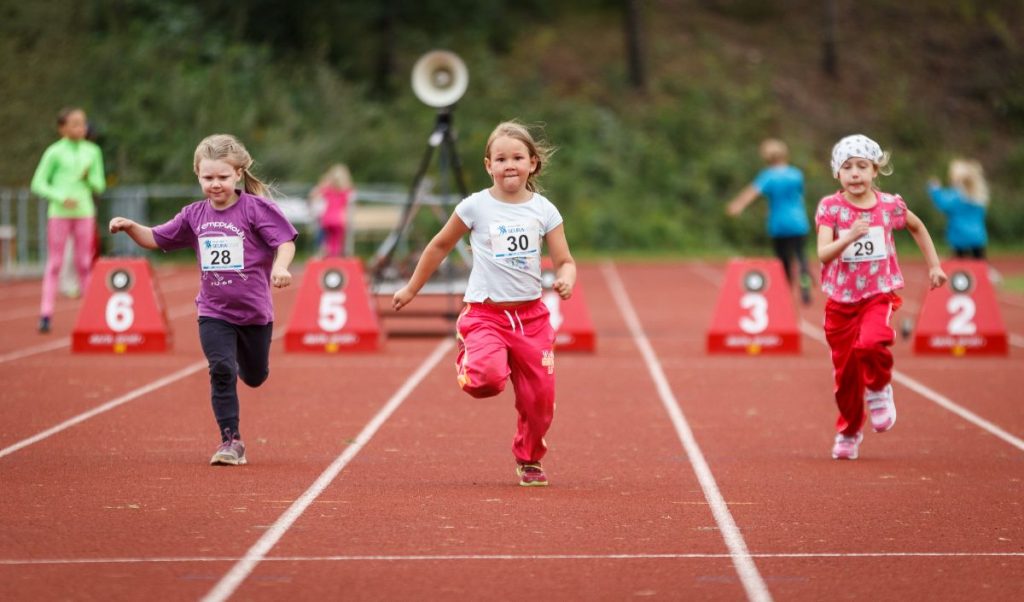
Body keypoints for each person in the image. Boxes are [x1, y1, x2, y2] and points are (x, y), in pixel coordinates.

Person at [392, 121, 576, 487]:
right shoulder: (475, 206)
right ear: (488, 165)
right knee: (486, 381)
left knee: (540, 400)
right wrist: (412, 288)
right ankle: (470, 356)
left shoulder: (544, 210)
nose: (510, 164)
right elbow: (439, 245)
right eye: (501, 158)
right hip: (486, 315)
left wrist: (565, 279)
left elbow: (565, 260)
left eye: (518, 157)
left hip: (532, 320)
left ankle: (528, 459)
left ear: (533, 164)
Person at [109, 134, 297, 466]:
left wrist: (280, 267)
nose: (215, 184)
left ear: (238, 174)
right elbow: (156, 237)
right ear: (197, 173)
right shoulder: (194, 216)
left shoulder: (256, 210)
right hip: (214, 312)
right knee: (221, 369)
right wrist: (130, 226)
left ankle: (243, 363)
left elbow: (285, 242)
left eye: (222, 177)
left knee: (254, 376)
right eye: (208, 177)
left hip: (254, 314)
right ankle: (231, 440)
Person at [815, 134, 947, 460]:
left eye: (862, 166)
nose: (855, 174)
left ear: (876, 170)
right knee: (845, 376)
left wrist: (934, 265)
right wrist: (850, 238)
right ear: (837, 174)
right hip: (841, 302)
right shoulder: (830, 208)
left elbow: (917, 227)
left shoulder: (889, 206)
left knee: (871, 343)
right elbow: (822, 253)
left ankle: (878, 388)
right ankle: (848, 432)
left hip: (877, 293)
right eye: (847, 167)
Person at [31, 107, 106, 333]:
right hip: (59, 214)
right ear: (62, 128)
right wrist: (60, 197)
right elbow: (38, 183)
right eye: (74, 123)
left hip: (84, 212)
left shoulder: (92, 151)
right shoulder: (54, 152)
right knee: (55, 263)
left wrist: (89, 178)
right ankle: (46, 314)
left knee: (84, 263)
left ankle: (93, 315)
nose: (80, 128)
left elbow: (100, 184)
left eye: (82, 123)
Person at [726, 138, 813, 304]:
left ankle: (785, 292)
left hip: (779, 224)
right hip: (798, 222)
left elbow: (752, 193)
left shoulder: (768, 176)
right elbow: (799, 196)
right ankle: (805, 288)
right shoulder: (796, 174)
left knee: (783, 262)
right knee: (802, 258)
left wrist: (737, 205)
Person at [927, 158, 990, 259]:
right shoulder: (979, 195)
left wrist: (935, 189)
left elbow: (943, 204)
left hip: (959, 237)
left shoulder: (956, 196)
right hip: (977, 237)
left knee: (959, 267)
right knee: (980, 265)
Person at [309, 163, 354, 257]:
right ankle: (334, 259)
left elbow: (314, 195)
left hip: (327, 219)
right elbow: (350, 203)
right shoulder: (346, 191)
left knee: (328, 241)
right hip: (338, 219)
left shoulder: (328, 190)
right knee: (336, 242)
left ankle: (326, 256)